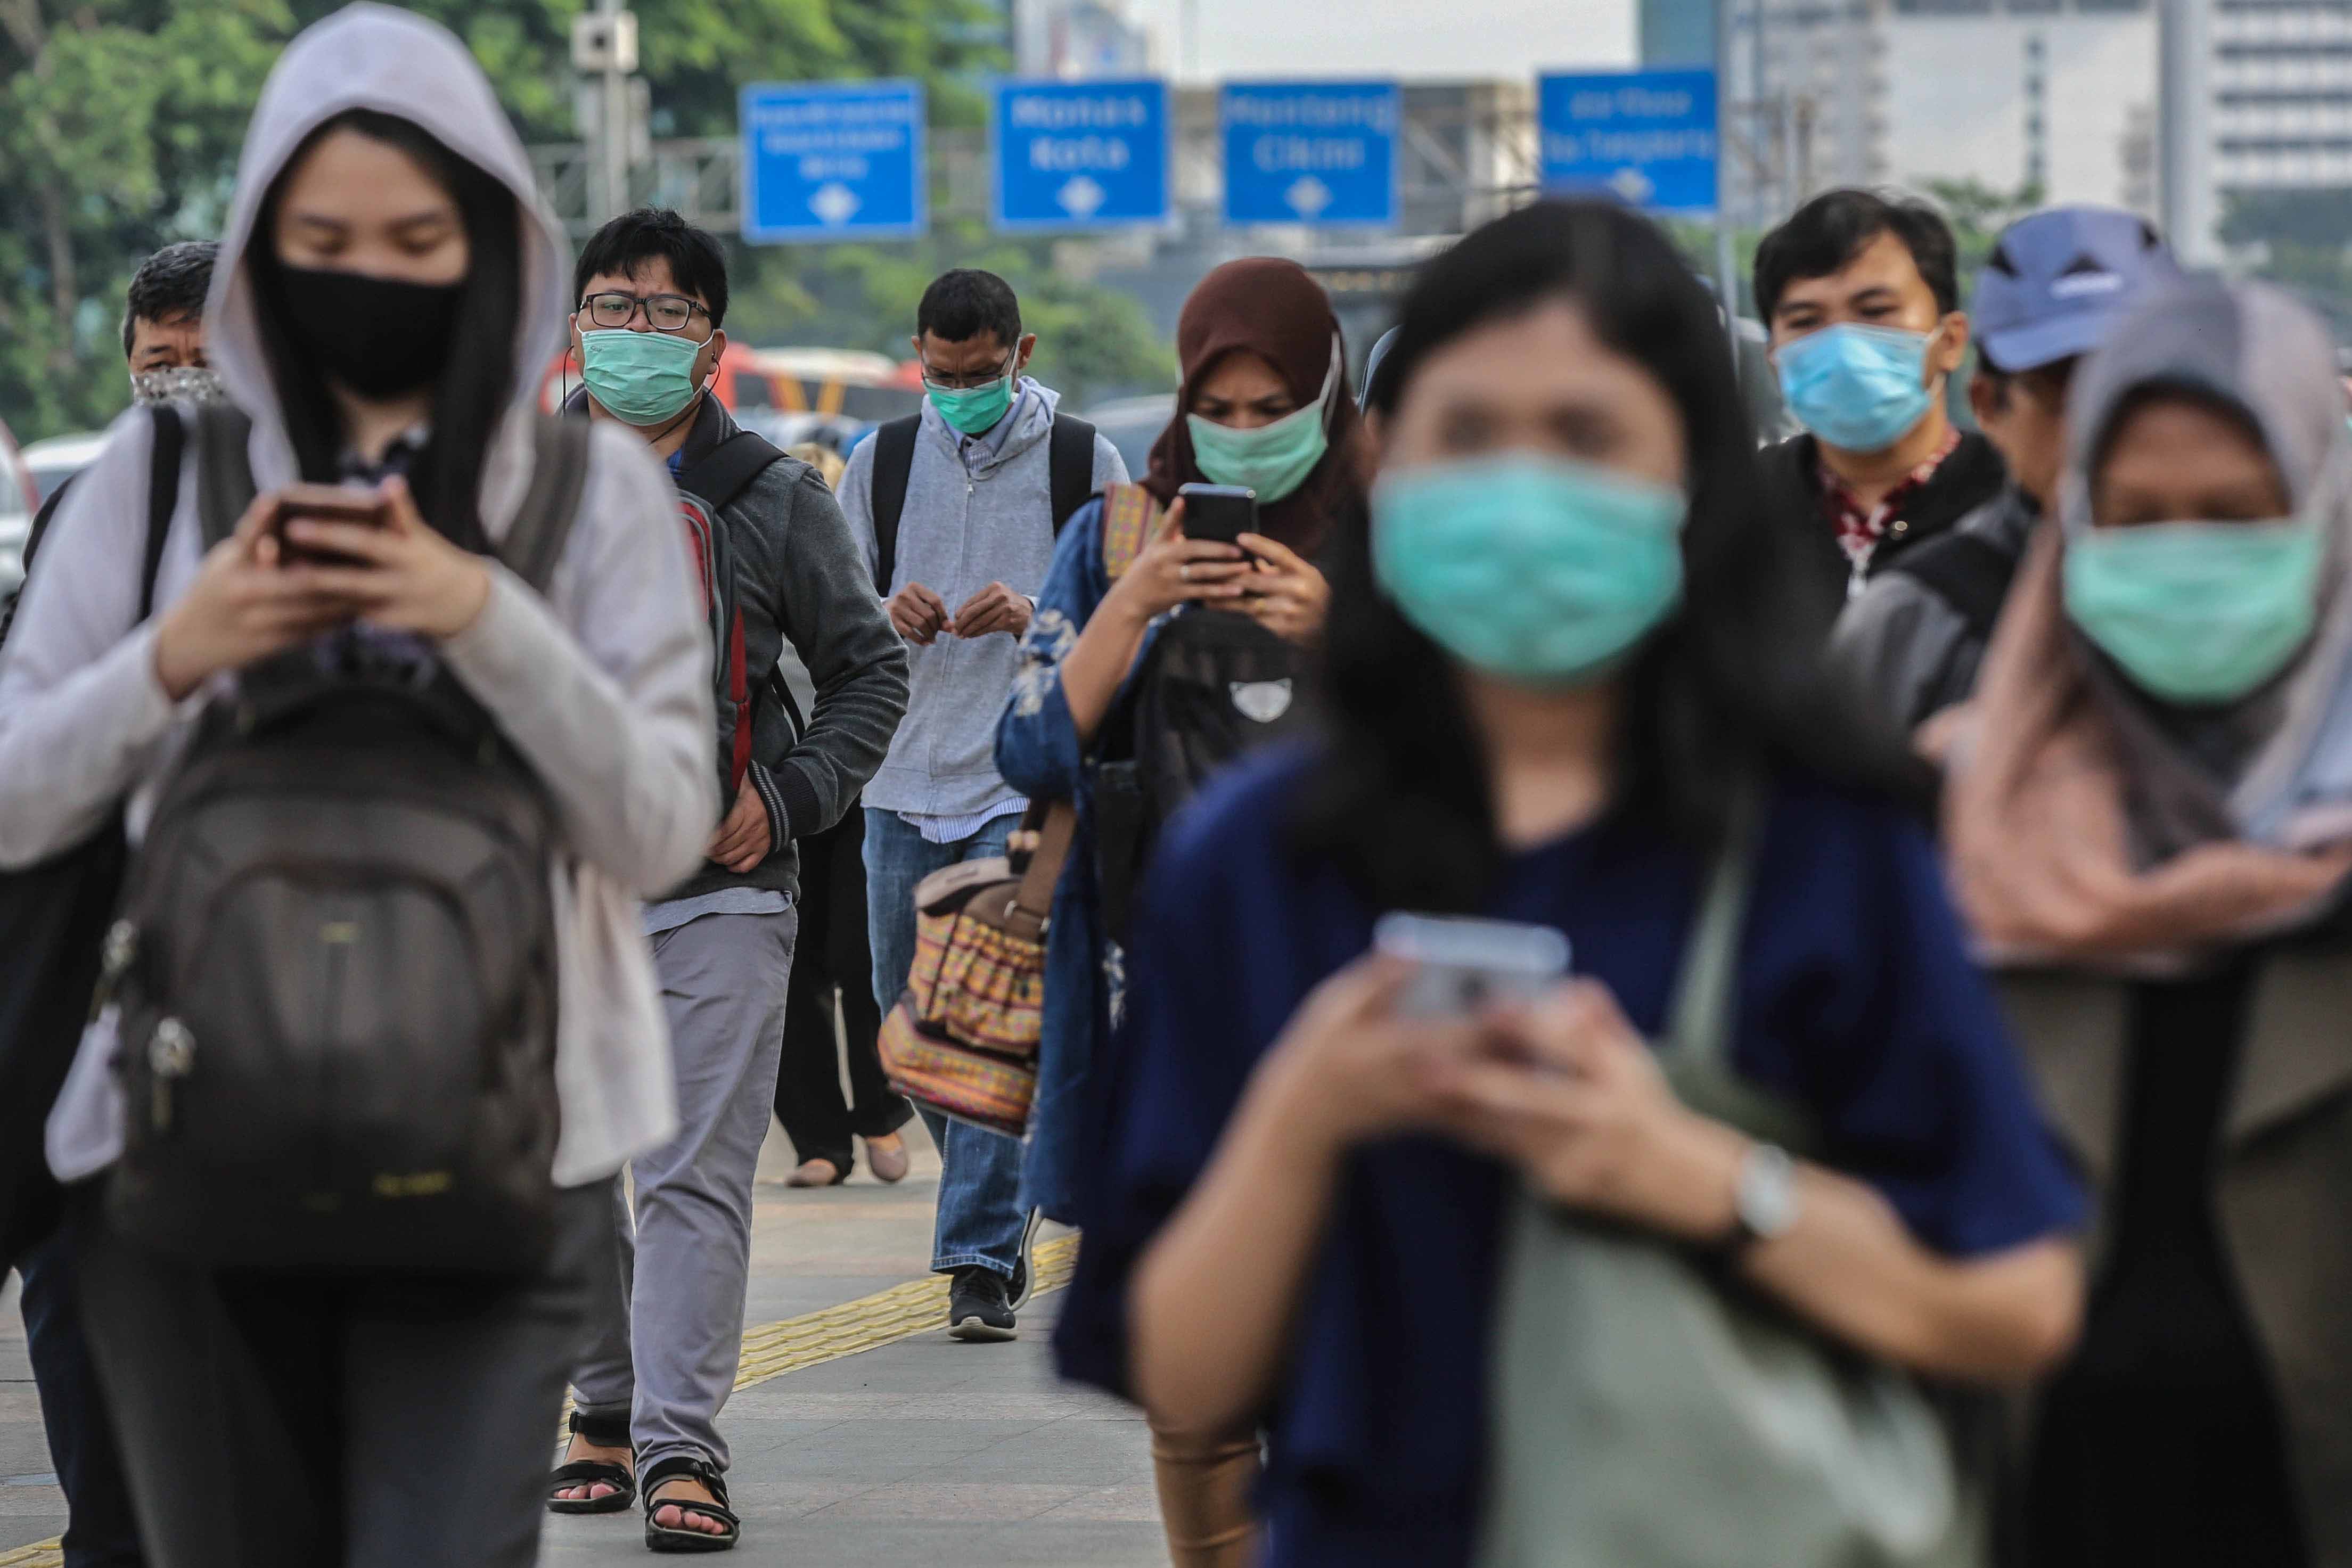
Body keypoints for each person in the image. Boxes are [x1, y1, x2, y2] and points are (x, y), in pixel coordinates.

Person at [1054, 200, 2086, 1568]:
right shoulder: (1260, 857)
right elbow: (1179, 1369)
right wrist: (1308, 1108)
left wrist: (1702, 1178)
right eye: (1468, 435)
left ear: (1692, 488)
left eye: (1588, 438)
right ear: (1388, 462)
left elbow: (2015, 1299)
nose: (1521, 491)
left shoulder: (1827, 837)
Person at [0, 8, 716, 1564]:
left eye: (413, 237)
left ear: (491, 249)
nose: (367, 274)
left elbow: (660, 825)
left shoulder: (593, 495)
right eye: (321, 236)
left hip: (504, 1154)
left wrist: (477, 615)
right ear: (260, 244)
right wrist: (176, 656)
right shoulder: (153, 482)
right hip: (177, 1156)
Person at [1941, 276, 2352, 1568]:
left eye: (2237, 515)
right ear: (2072, 528)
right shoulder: (1961, 828)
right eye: (2138, 515)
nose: (2185, 554)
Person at [546, 208, 906, 1547]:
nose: (636, 331)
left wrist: (785, 797)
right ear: (576, 324)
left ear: (711, 339)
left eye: (666, 311)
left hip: (722, 888)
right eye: (612, 306)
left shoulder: (773, 494)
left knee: (694, 1169)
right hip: (554, 889)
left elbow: (870, 672)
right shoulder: (509, 483)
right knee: (568, 1162)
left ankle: (679, 1445)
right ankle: (604, 1397)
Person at [998, 255, 1365, 1566]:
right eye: (1227, 406)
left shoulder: (1399, 534)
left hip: (1366, 1012)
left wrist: (1341, 633)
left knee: (1357, 1360)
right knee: (1196, 1394)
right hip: (1166, 1007)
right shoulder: (1113, 536)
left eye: (1278, 407)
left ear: (1330, 392)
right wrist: (1137, 604)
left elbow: (1485, 760)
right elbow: (1031, 750)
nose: (1249, 433)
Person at [837, 268, 1127, 1341]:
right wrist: (882, 612)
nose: (958, 391)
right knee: (901, 1011)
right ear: (918, 357)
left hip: (1020, 776)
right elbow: (825, 615)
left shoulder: (1081, 459)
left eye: (980, 372)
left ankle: (976, 1257)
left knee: (991, 1015)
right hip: (902, 777)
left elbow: (1126, 611)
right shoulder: (880, 461)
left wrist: (1040, 610)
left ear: (1024, 353)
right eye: (940, 373)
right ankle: (1020, 1155)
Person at [1, 240, 229, 1568]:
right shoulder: (84, 511)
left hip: (279, 1007)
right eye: (159, 366)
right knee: (78, 1309)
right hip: (96, 1005)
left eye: (206, 363)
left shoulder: (331, 508)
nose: (181, 389)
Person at [1832, 208, 2178, 735]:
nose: (2103, 420)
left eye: (2137, 387)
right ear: (1988, 405)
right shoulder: (1913, 624)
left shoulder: (2282, 588)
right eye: (2064, 390)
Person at [767, 440, 913, 1191]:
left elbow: (876, 678)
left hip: (857, 793)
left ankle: (882, 1110)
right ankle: (818, 1139)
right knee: (791, 971)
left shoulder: (854, 584)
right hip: (775, 797)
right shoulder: (746, 564)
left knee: (864, 965)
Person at [1755, 188, 2005, 609]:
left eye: (1874, 311)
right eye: (1804, 321)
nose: (1842, 346)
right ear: (1774, 360)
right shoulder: (1734, 508)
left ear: (1950, 340)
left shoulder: (2014, 503)